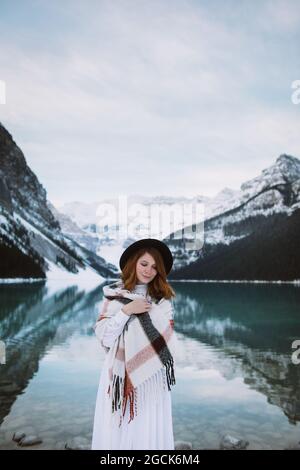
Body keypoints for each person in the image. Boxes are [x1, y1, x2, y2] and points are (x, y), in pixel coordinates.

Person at [91, 238, 178, 450]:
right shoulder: (114, 296)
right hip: (119, 372)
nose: (149, 271)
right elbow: (105, 338)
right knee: (119, 430)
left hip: (152, 376)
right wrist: (128, 310)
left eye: (155, 267)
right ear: (133, 263)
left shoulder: (162, 300)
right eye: (144, 264)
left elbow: (165, 341)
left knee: (147, 429)